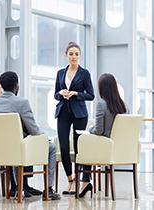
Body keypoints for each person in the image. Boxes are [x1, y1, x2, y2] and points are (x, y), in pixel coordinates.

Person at [0, 71, 61, 200]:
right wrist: (43, 136)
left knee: (16, 146)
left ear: (2, 86)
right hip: (17, 148)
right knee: (52, 148)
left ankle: (17, 189)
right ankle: (49, 189)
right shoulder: (22, 103)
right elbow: (33, 130)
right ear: (17, 86)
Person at [79, 73, 130, 198]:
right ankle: (86, 183)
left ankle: (85, 182)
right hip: (121, 148)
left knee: (85, 146)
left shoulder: (101, 104)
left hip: (105, 148)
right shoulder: (125, 106)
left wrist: (90, 129)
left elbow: (99, 131)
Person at [54, 42, 95, 194]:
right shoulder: (60, 73)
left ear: (79, 56)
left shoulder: (84, 73)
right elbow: (55, 93)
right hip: (63, 112)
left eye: (76, 54)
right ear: (66, 55)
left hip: (79, 114)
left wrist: (76, 94)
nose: (74, 57)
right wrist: (61, 93)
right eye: (71, 54)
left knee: (79, 148)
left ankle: (81, 181)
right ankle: (70, 180)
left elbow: (91, 95)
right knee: (64, 146)